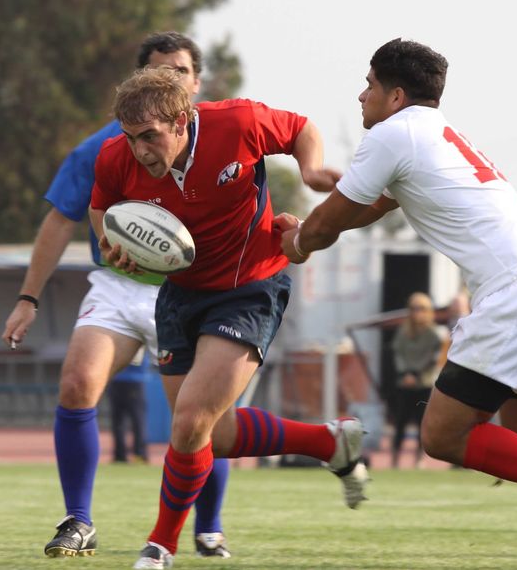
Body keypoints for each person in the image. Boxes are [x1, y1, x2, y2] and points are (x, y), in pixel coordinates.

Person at [279, 38, 517, 570]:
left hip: (516, 295)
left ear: (396, 96)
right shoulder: (437, 134)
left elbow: (325, 225)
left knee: (442, 436)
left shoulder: (392, 133)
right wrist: (313, 226)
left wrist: (295, 243)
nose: (361, 95)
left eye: (369, 85)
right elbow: (371, 207)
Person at [88, 66, 369, 570]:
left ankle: (160, 546)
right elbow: (102, 208)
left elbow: (301, 128)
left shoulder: (237, 122)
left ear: (181, 121)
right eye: (130, 138)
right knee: (210, 436)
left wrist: (310, 171)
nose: (140, 150)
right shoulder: (115, 156)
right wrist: (113, 247)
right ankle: (328, 442)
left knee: (191, 421)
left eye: (149, 136)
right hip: (180, 294)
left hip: (249, 287)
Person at [0, 32, 234, 559]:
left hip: (192, 292)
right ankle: (78, 520)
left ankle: (209, 526)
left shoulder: (224, 135)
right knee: (77, 383)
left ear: (197, 83)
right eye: (159, 70)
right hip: (120, 285)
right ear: (138, 81)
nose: (170, 79)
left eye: (180, 71)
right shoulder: (104, 147)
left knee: (200, 420)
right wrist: (27, 298)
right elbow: (60, 220)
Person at [389, 292, 447, 468]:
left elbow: (434, 358)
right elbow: (398, 354)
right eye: (413, 308)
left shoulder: (435, 333)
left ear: (429, 311)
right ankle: (395, 458)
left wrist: (416, 374)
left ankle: (420, 458)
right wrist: (405, 373)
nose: (417, 312)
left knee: (423, 421)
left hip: (425, 382)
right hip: (405, 382)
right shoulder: (403, 331)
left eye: (421, 308)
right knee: (400, 421)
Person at [108, 353, 151, 464]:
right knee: (138, 420)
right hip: (134, 382)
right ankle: (139, 454)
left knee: (118, 421)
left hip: (116, 381)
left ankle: (120, 456)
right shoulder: (138, 345)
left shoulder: (115, 345)